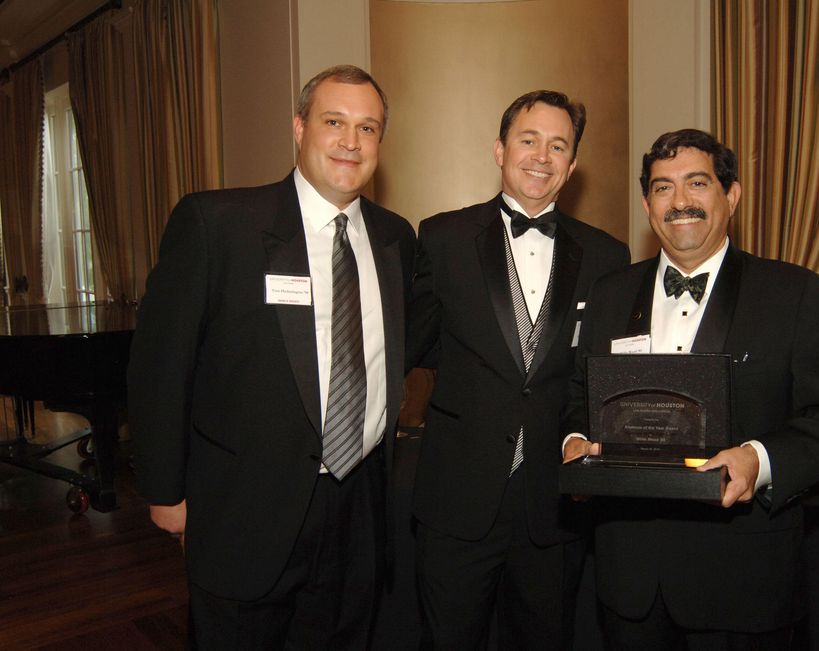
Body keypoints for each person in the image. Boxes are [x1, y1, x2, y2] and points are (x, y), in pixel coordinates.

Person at [127, 65, 416, 649]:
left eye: (368, 128)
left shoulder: (395, 238)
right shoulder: (219, 224)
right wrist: (164, 491)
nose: (350, 142)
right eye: (334, 122)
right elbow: (161, 365)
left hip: (359, 504)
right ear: (299, 126)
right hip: (245, 507)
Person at [562, 128, 819, 649]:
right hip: (630, 576)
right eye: (662, 188)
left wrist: (758, 458)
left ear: (731, 195)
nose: (680, 201)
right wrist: (573, 439)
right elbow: (578, 395)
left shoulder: (794, 294)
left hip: (742, 578)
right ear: (646, 203)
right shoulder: (609, 294)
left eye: (697, 183)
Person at [406, 90, 629, 650]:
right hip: (457, 496)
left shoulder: (607, 256)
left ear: (573, 166)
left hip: (553, 502)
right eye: (528, 140)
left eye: (559, 146)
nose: (541, 156)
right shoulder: (441, 237)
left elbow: (601, 375)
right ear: (500, 150)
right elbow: (412, 346)